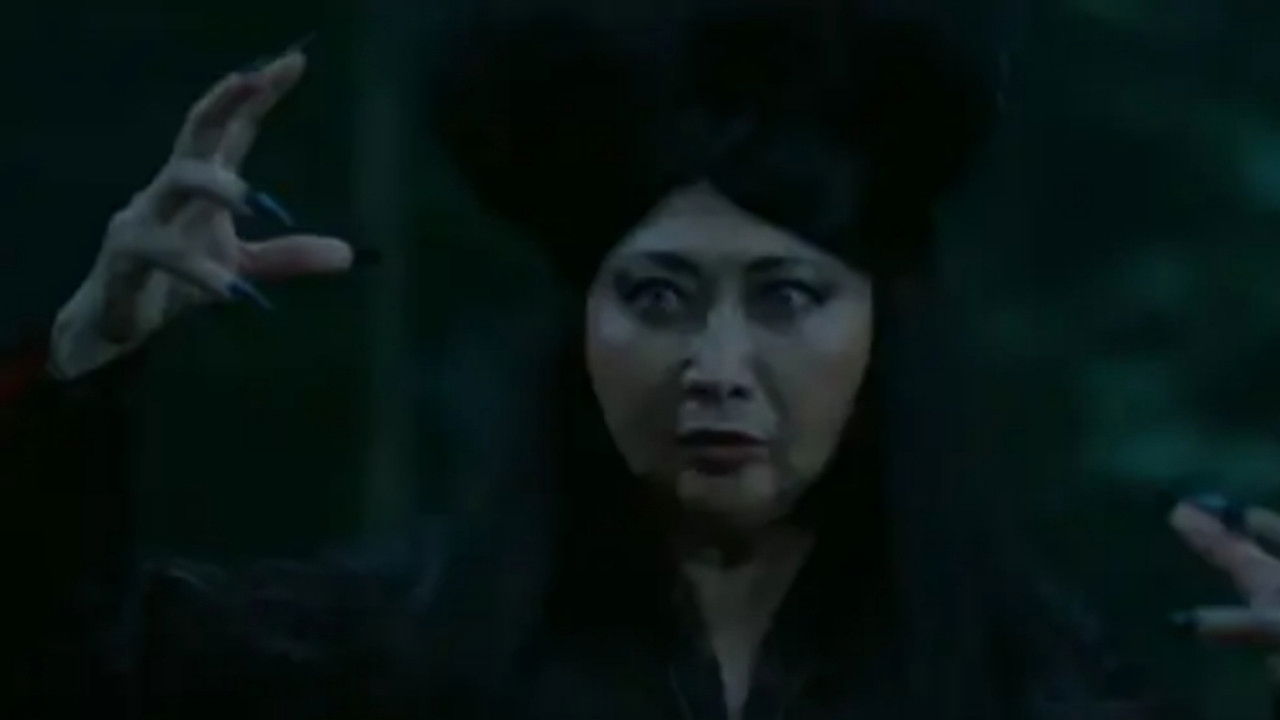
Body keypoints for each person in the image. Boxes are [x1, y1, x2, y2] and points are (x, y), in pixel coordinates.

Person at [3, 4, 1279, 719]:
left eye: (785, 296)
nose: (715, 364)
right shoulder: (391, 654)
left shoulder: (1031, 691)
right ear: (581, 326)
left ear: (879, 332)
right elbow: (60, 665)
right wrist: (79, 365)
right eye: (657, 295)